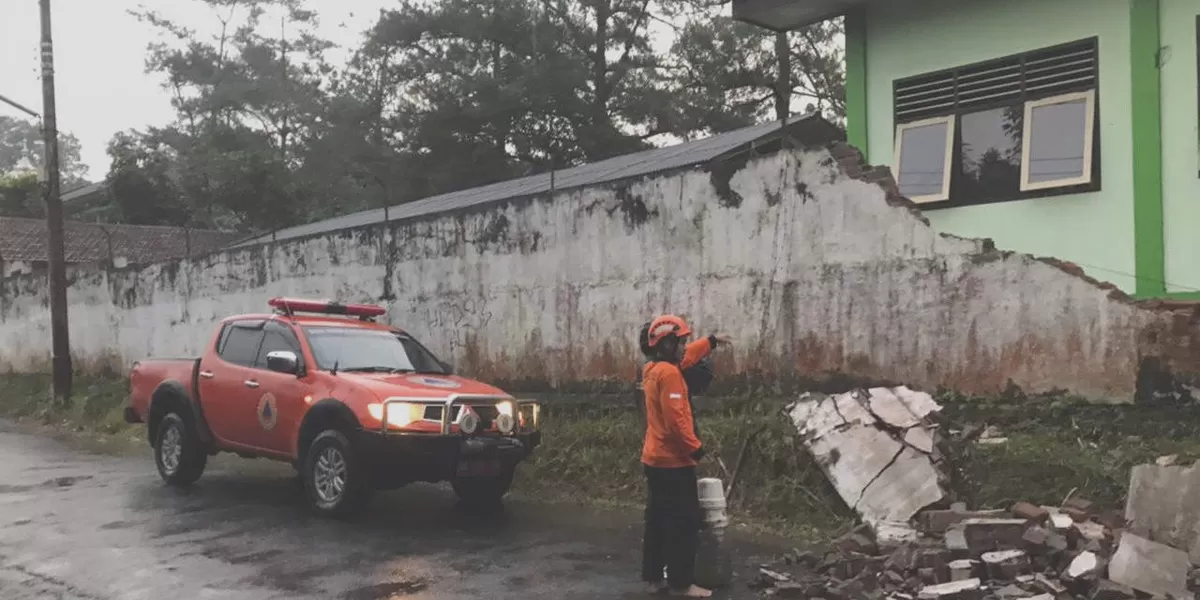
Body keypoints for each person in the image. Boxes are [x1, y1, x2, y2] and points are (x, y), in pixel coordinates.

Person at [639, 314, 730, 598]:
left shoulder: (652, 368)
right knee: (683, 522)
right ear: (665, 345)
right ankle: (682, 583)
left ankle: (654, 578)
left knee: (657, 520)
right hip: (673, 463)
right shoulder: (670, 376)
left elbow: (688, 357)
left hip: (654, 461)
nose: (683, 347)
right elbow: (677, 421)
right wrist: (696, 448)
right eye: (679, 342)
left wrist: (710, 343)